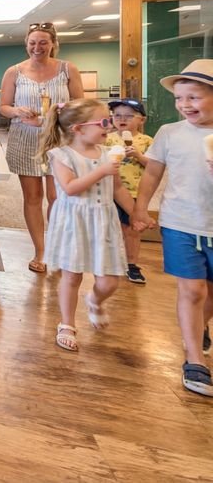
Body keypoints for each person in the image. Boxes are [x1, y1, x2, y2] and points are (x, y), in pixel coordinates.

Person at [132, 59, 213, 397]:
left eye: (193, 97)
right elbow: (153, 173)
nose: (184, 105)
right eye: (180, 98)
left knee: (210, 291)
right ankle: (194, 358)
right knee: (192, 290)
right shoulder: (169, 134)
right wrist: (140, 206)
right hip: (180, 221)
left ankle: (200, 325)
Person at [38, 98, 133, 353]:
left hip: (103, 220)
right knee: (71, 275)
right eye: (103, 122)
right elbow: (69, 189)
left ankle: (95, 300)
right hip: (74, 220)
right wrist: (101, 172)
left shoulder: (106, 154)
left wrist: (136, 214)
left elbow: (118, 189)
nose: (109, 126)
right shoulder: (61, 155)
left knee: (109, 281)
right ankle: (67, 323)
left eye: (109, 121)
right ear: (77, 128)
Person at [0, 22, 84, 273]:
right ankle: (41, 250)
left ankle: (59, 246)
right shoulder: (13, 72)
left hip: (59, 138)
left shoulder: (68, 69)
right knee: (32, 198)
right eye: (33, 42)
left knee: (57, 197)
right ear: (27, 44)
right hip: (25, 139)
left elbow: (80, 105)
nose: (37, 47)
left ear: (53, 44)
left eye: (43, 42)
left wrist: (56, 114)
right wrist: (17, 110)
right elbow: (4, 107)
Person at [103, 98, 152, 284]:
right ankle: (109, 261)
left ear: (142, 120)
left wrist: (139, 156)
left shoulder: (147, 141)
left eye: (129, 116)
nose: (122, 119)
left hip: (134, 192)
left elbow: (155, 167)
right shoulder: (107, 138)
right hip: (108, 190)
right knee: (109, 228)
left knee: (132, 229)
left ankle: (132, 264)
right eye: (117, 115)